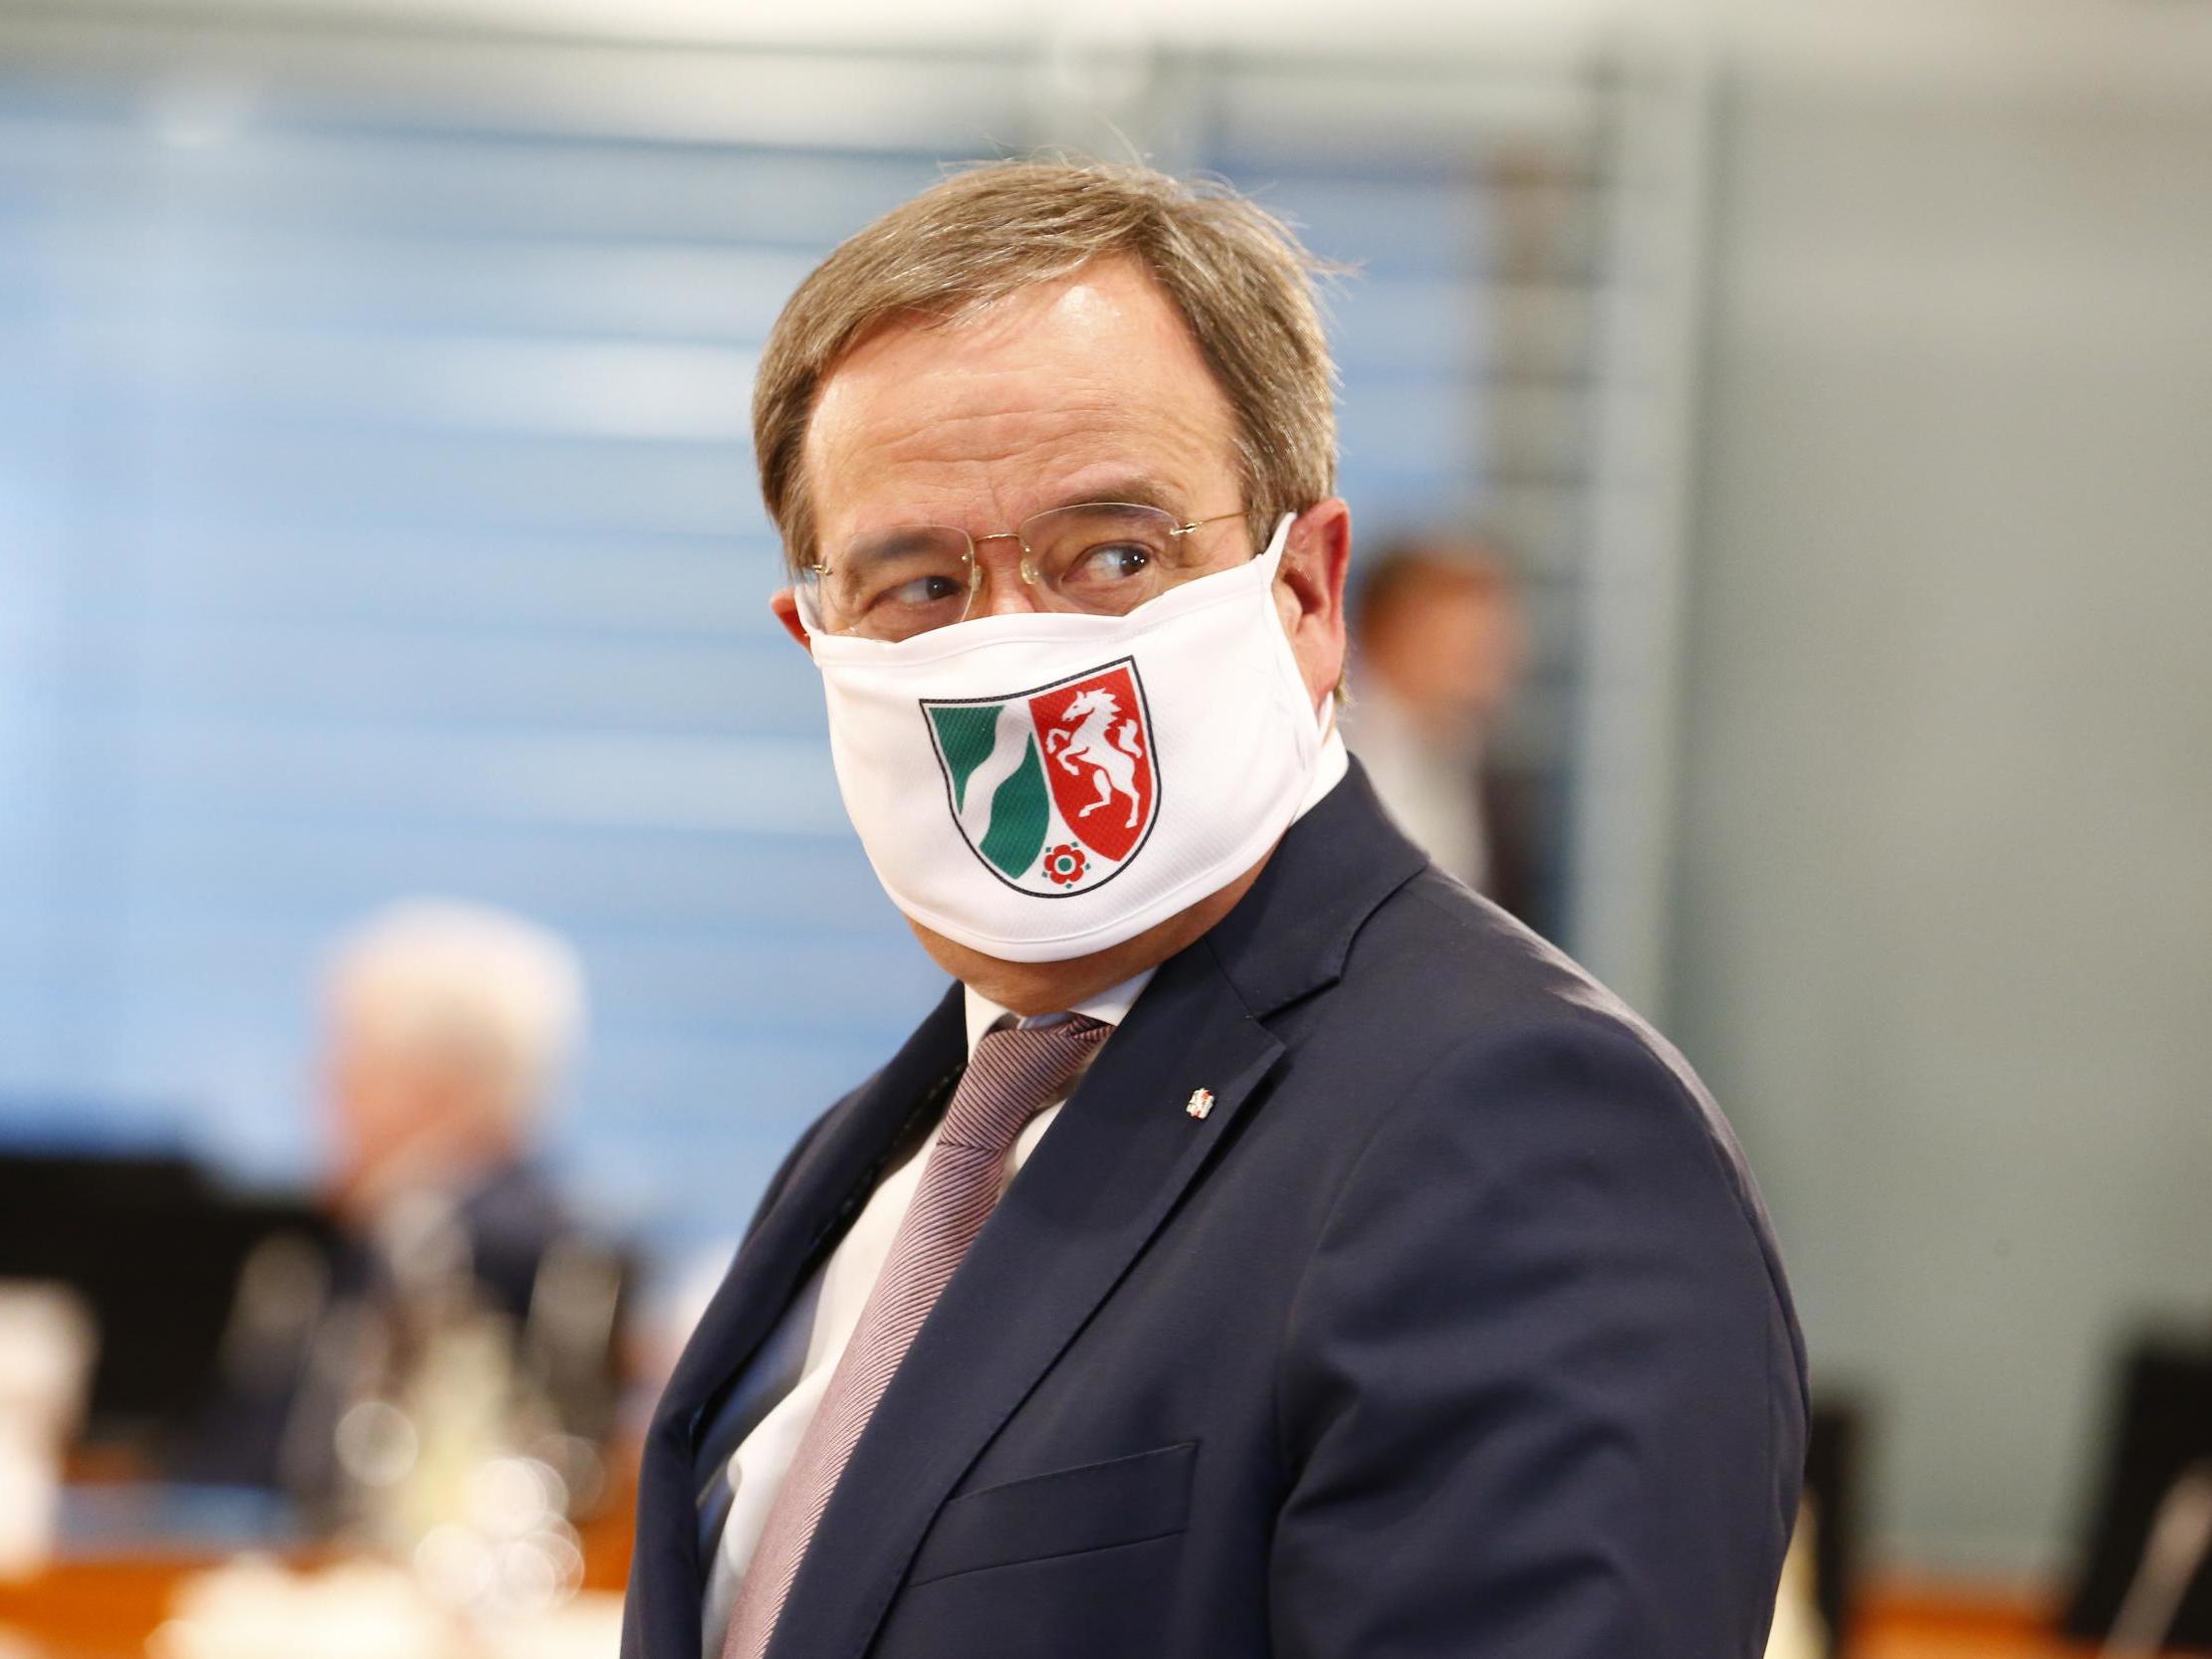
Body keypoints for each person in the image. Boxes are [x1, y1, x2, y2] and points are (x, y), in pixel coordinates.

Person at [628, 160, 1806, 1659]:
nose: (1014, 650)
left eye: (1114, 553)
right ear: (819, 641)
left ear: (1305, 590)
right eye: (918, 584)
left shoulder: (1515, 1129)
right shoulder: (884, 1152)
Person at [180, 901, 620, 1498]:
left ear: (437, 1083)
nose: (316, 1084)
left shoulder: (451, 1244)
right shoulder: (545, 1235)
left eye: (347, 1057)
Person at [1347, 535, 1542, 921]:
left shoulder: (1487, 774)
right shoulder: (1327, 754)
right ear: (1389, 630)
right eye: (1471, 646)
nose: (1497, 660)